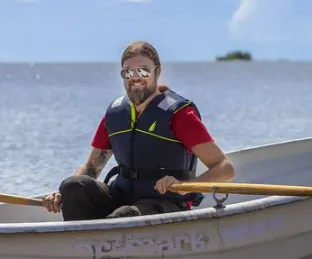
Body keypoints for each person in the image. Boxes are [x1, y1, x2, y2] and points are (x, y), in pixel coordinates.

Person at [42, 40, 235, 220]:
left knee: (124, 215)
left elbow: (225, 167)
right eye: (127, 72)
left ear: (157, 72)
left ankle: (108, 239)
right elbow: (91, 169)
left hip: (164, 202)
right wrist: (62, 194)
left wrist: (186, 186)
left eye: (143, 71)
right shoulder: (116, 113)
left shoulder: (180, 115)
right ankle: (82, 247)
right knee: (73, 186)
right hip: (123, 196)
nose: (134, 77)